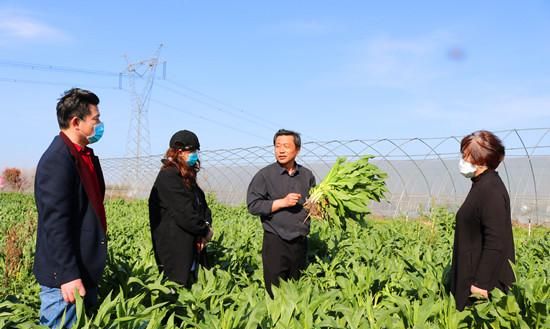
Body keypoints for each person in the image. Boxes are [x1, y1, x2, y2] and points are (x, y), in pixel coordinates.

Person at [34, 88, 107, 328]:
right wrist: (68, 275)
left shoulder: (85, 156)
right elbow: (55, 224)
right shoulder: (58, 159)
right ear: (76, 122)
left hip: (84, 270)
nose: (100, 124)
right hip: (65, 282)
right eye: (95, 119)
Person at [450, 130, 515, 311]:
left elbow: (495, 241)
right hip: (472, 275)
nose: (462, 160)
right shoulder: (481, 184)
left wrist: (481, 284)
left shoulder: (490, 190)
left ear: (481, 159)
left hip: (481, 286)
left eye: (466, 155)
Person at [247, 129, 316, 297]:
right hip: (275, 241)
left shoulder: (306, 175)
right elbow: (253, 205)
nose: (281, 150)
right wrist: (281, 203)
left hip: (300, 241)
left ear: (297, 149)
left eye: (286, 146)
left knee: (296, 290)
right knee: (274, 292)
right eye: (277, 146)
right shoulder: (265, 175)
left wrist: (316, 208)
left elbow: (313, 203)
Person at [149, 130, 214, 287]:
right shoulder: (168, 177)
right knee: (175, 291)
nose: (195, 155)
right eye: (191, 151)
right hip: (175, 249)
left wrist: (203, 232)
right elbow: (185, 214)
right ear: (178, 152)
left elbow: (203, 207)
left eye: (196, 151)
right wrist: (205, 231)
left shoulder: (187, 177)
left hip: (193, 245)